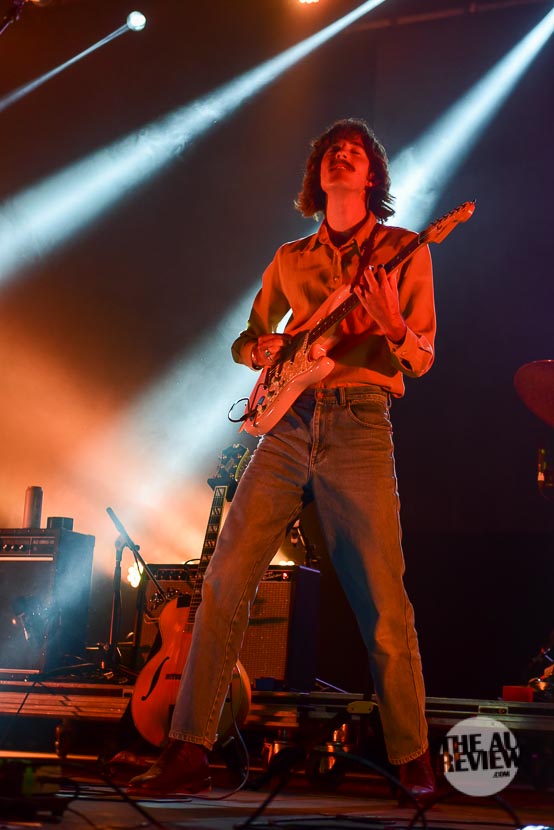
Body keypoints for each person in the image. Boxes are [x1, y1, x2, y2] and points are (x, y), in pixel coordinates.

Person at [128, 117, 437, 804]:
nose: (341, 155)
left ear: (373, 176)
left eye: (354, 151)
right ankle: (188, 751)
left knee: (383, 601)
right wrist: (261, 351)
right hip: (288, 425)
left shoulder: (405, 250)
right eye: (331, 151)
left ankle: (414, 760)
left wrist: (392, 325)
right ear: (318, 175)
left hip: (360, 422)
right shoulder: (290, 259)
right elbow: (246, 336)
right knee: (224, 579)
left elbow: (421, 357)